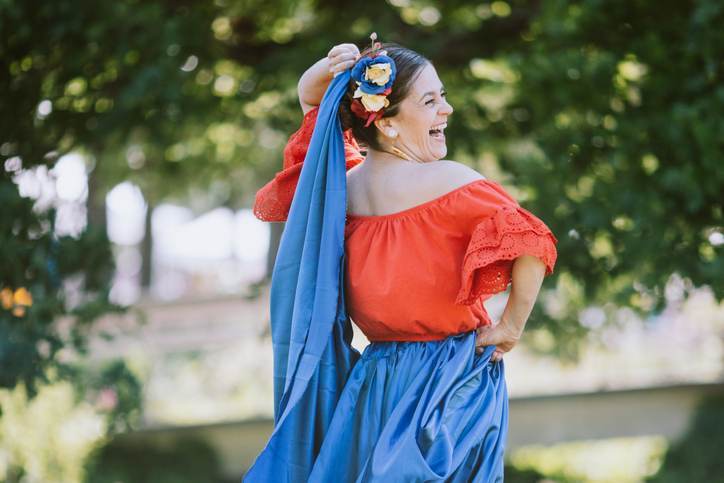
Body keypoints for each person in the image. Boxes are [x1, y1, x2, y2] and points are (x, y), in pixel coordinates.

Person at [247, 34, 558, 482]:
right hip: (448, 377)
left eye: (443, 98)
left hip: (376, 378)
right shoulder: (450, 183)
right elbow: (532, 240)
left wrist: (330, 69)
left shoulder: (340, 189)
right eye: (431, 101)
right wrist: (511, 325)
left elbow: (311, 101)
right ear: (388, 125)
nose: (446, 110)